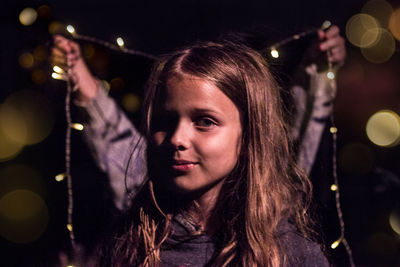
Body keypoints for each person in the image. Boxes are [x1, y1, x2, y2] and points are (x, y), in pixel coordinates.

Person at [52, 37, 338, 266]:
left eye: (205, 122)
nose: (177, 138)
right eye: (165, 121)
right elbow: (114, 143)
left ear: (250, 135)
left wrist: (315, 75)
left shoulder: (290, 254)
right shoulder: (130, 244)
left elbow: (302, 137)